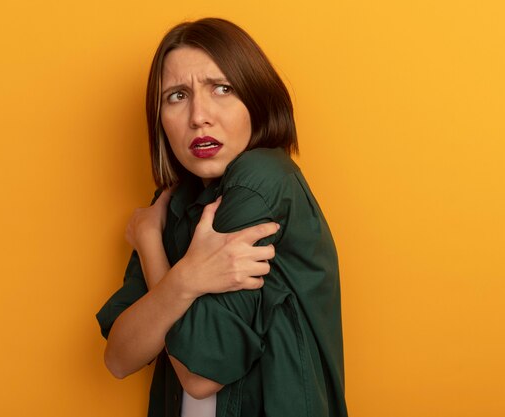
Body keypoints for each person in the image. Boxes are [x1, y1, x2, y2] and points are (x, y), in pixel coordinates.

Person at [96, 17, 348, 417]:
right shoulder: (176, 201)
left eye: (222, 89)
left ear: (256, 98)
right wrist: (180, 276)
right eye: (176, 96)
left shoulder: (259, 179)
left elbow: (200, 377)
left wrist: (164, 261)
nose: (199, 116)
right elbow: (119, 358)